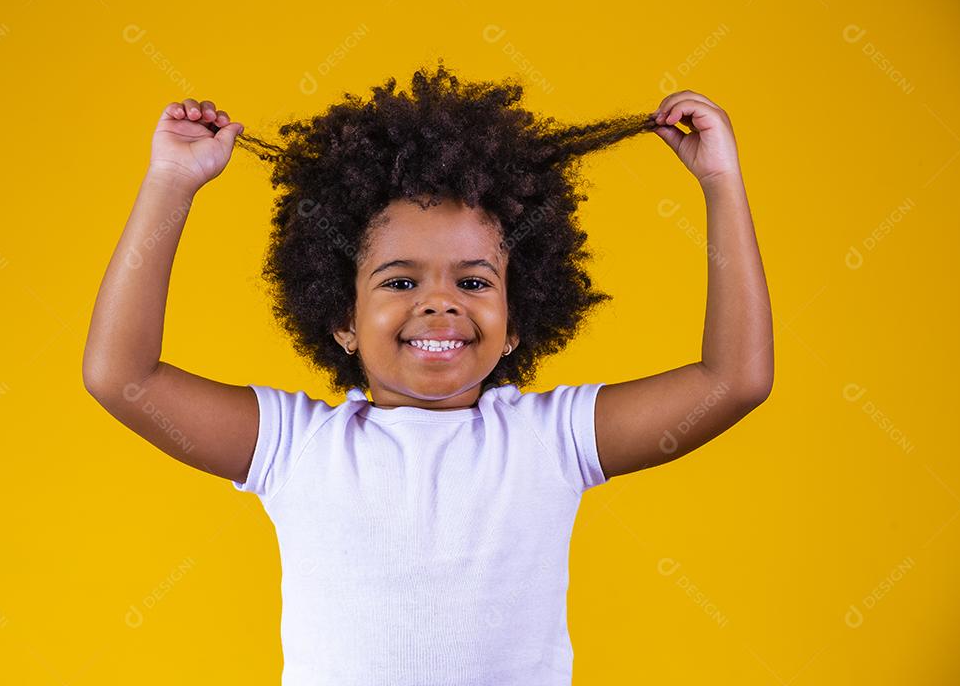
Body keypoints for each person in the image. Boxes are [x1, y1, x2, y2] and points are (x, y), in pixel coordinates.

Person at [82, 60, 773, 685]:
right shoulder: (295, 446)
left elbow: (734, 381)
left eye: (473, 282)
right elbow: (121, 376)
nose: (439, 302)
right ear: (343, 319)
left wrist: (721, 183)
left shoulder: (550, 440)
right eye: (400, 281)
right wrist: (170, 183)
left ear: (516, 321)